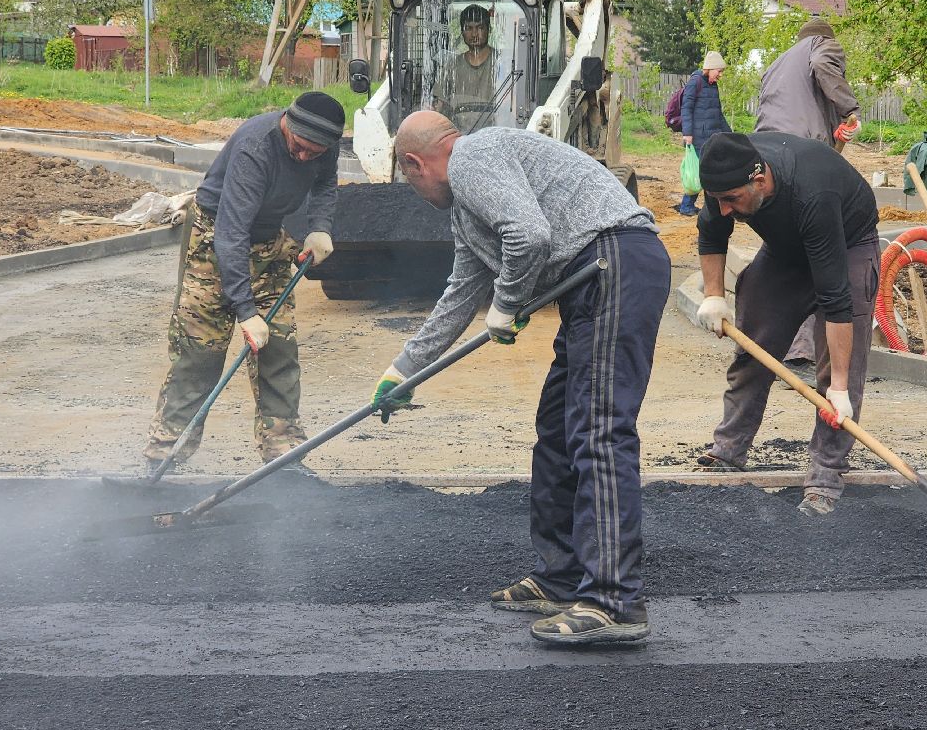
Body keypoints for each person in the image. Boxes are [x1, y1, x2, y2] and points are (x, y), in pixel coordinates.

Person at [371, 112, 671, 645]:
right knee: (557, 429)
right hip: (593, 277)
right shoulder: (469, 208)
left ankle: (613, 601)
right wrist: (405, 370)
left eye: (409, 180)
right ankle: (561, 577)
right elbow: (463, 289)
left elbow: (529, 235)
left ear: (415, 164)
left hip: (614, 261)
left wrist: (507, 302)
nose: (415, 191)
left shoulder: (474, 157)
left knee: (599, 430)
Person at [143, 91, 342, 472]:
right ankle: (165, 456)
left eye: (313, 153)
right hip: (213, 239)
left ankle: (283, 454)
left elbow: (325, 182)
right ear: (287, 123)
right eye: (299, 147)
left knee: (279, 351)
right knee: (199, 353)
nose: (304, 157)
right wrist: (246, 310)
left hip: (269, 242)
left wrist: (319, 227)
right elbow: (231, 233)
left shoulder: (323, 144)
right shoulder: (257, 147)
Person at [692, 131, 880, 517]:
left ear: (759, 182)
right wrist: (714, 295)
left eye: (731, 200)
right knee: (752, 347)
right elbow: (711, 233)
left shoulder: (814, 194)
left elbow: (836, 300)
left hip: (846, 245)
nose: (724, 209)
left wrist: (840, 387)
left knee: (835, 380)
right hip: (783, 251)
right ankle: (729, 450)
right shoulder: (725, 176)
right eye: (717, 200)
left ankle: (825, 476)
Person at [756, 18, 863, 375]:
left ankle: (769, 342)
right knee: (815, 252)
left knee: (783, 250)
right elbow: (822, 68)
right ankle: (802, 352)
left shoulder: (776, 65)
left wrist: (835, 141)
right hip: (799, 158)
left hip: (763, 161)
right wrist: (850, 109)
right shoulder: (822, 48)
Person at [755, 18, 861, 151]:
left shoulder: (776, 64)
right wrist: (851, 112)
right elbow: (821, 62)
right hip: (803, 145)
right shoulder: (822, 43)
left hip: (764, 144)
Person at [677, 50, 731, 215]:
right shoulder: (695, 82)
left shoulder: (713, 85)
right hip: (699, 137)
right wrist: (687, 133)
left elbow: (718, 112)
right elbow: (686, 108)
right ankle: (687, 206)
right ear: (710, 68)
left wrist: (729, 133)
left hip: (713, 134)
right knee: (700, 171)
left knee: (711, 170)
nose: (720, 75)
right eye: (719, 71)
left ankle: (708, 206)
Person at [438, 3, 497, 132]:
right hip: (459, 136)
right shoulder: (451, 66)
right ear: (462, 32)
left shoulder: (501, 62)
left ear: (489, 29)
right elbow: (438, 106)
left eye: (480, 27)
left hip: (496, 132)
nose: (474, 34)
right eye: (469, 28)